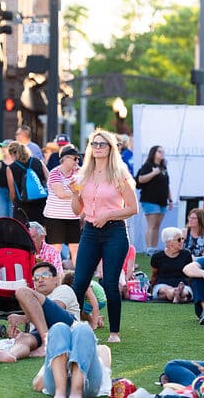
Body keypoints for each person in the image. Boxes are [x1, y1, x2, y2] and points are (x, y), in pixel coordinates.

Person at [70, 128, 138, 343]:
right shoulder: (83, 174)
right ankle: (75, 328)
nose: (98, 148)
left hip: (115, 232)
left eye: (102, 144)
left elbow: (132, 208)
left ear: (110, 148)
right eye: (94, 144)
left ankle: (114, 333)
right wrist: (74, 194)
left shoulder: (119, 174)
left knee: (109, 283)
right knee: (79, 281)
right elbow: (76, 210)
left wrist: (109, 215)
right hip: (90, 231)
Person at [0, 262, 80, 363]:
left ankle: (46, 343)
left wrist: (23, 318)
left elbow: (54, 312)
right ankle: (11, 354)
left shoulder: (63, 289)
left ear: (56, 279)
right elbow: (38, 322)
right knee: (23, 338)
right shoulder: (33, 300)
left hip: (68, 327)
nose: (40, 280)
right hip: (46, 332)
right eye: (36, 278)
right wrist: (20, 334)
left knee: (21, 291)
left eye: (45, 275)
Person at [32, 322, 112, 397]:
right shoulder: (59, 350)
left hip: (86, 383)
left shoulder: (98, 348)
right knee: (59, 328)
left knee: (82, 328)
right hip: (57, 383)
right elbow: (37, 385)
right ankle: (64, 392)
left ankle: (70, 392)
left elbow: (104, 351)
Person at [43, 145, 81, 267]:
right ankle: (54, 274)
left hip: (73, 216)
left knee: (75, 248)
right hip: (55, 216)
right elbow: (61, 193)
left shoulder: (79, 173)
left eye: (78, 159)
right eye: (74, 158)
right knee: (55, 249)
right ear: (65, 158)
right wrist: (76, 193)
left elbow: (83, 190)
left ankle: (78, 276)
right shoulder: (55, 173)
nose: (77, 161)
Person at [135, 145, 173, 255]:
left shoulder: (163, 167)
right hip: (150, 199)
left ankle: (154, 248)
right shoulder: (148, 165)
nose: (162, 154)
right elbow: (140, 179)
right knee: (151, 225)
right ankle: (149, 248)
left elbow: (167, 185)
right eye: (159, 151)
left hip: (162, 201)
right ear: (154, 153)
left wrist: (170, 200)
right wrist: (153, 173)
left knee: (157, 226)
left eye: (163, 151)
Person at [6, 141, 49, 224]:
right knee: (39, 231)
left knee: (23, 232)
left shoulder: (11, 168)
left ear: (12, 154)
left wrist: (14, 204)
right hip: (40, 202)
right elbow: (49, 179)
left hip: (22, 205)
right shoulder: (38, 162)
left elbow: (12, 192)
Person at [149, 227, 193, 303]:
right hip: (162, 284)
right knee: (164, 290)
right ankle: (176, 293)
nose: (182, 241)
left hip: (183, 283)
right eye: (179, 239)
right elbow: (154, 275)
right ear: (169, 242)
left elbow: (190, 274)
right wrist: (151, 288)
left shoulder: (186, 254)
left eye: (183, 239)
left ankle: (177, 293)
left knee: (185, 292)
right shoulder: (157, 257)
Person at [0, 139, 14, 218]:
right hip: (1, 191)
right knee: (2, 216)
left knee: (13, 217)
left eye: (5, 147)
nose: (2, 149)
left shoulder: (17, 162)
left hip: (14, 192)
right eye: (2, 147)